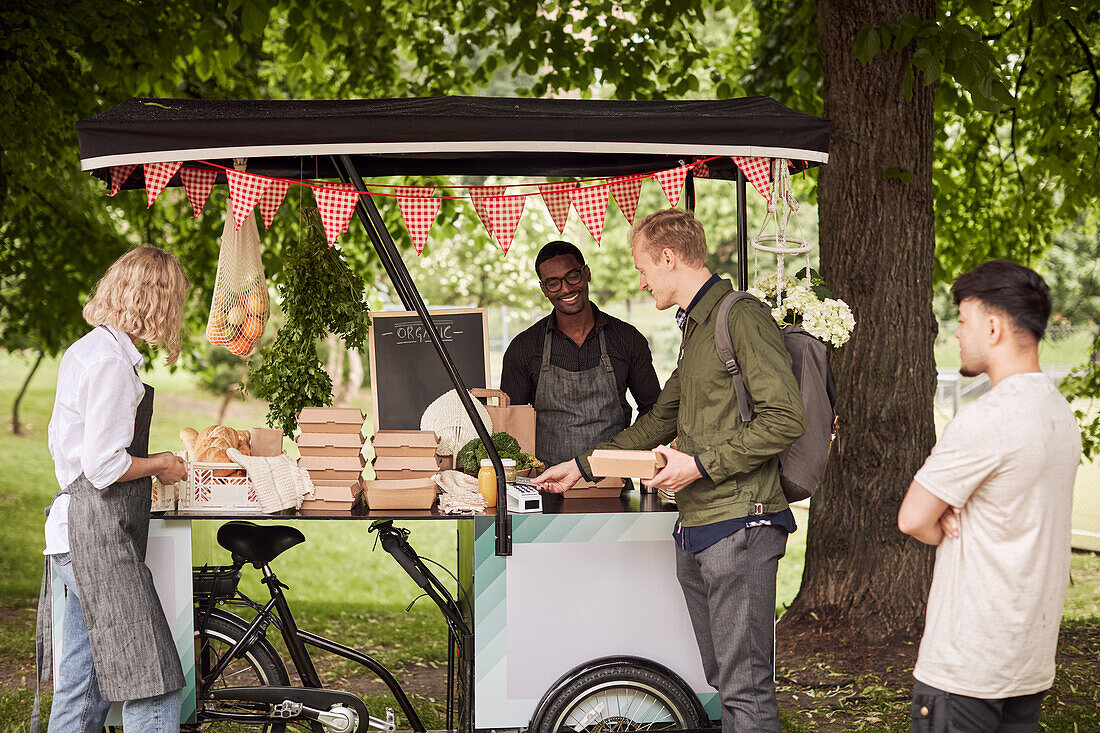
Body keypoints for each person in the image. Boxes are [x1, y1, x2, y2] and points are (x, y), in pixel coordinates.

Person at [534, 210, 805, 731]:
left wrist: (699, 465)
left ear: (667, 257)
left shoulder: (739, 316)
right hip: (700, 527)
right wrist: (581, 465)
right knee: (726, 680)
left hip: (741, 523)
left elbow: (785, 417)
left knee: (745, 686)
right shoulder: (698, 329)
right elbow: (660, 418)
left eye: (643, 267)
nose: (640, 280)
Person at [898, 260, 1080, 733]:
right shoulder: (1060, 415)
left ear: (994, 327)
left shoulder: (987, 418)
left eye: (962, 321)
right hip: (1027, 664)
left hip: (965, 668)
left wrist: (943, 522)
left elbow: (914, 518)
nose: (957, 333)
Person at [33, 247, 191, 733]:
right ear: (158, 300)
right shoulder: (111, 365)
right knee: (154, 680)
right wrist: (162, 463)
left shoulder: (89, 350)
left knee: (83, 687)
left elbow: (79, 450)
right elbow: (104, 466)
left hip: (75, 536)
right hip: (94, 543)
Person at [500, 240, 661, 466]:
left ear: (586, 273)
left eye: (572, 276)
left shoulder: (627, 339)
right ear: (544, 289)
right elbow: (512, 425)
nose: (566, 289)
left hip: (613, 482)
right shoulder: (524, 348)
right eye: (553, 283)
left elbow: (653, 411)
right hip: (547, 485)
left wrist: (627, 455)